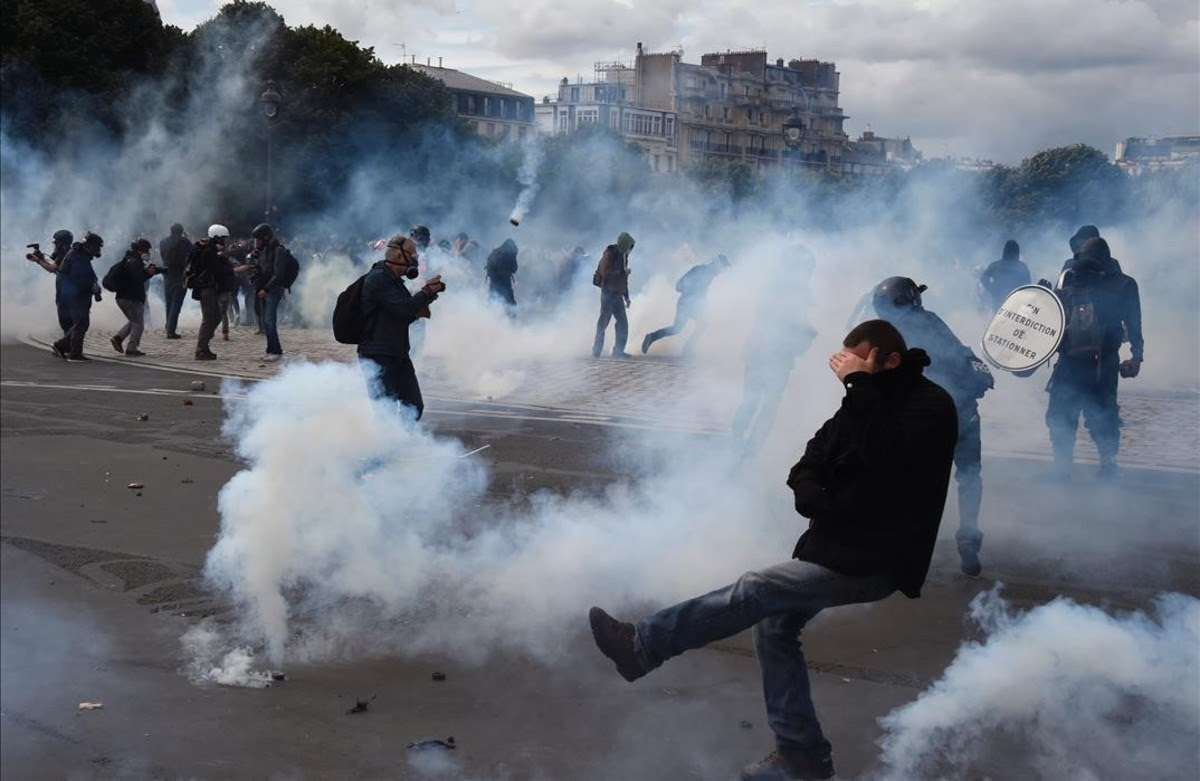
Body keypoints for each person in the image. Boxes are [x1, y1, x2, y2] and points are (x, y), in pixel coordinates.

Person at [589, 320, 958, 781]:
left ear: (891, 360)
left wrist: (859, 385)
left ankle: (643, 645)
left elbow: (887, 456)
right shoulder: (863, 399)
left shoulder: (930, 407)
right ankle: (801, 755)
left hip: (879, 560)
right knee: (775, 626)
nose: (848, 375)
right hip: (834, 547)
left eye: (860, 364)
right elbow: (813, 455)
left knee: (758, 588)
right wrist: (812, 495)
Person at [870, 276, 994, 577]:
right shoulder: (929, 321)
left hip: (923, 418)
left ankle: (901, 541)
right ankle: (967, 536)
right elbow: (963, 355)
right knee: (969, 474)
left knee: (913, 479)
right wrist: (982, 375)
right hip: (961, 411)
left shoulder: (884, 339)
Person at [1045, 236, 1142, 478]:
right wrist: (1042, 299)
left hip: (1104, 363)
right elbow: (1052, 321)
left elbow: (1134, 323)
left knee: (1103, 415)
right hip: (1069, 360)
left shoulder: (1124, 285)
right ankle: (1062, 466)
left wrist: (1137, 356)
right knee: (1060, 415)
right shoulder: (1069, 281)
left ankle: (1107, 464)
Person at [357, 235, 446, 420]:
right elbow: (402, 310)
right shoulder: (379, 278)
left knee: (414, 407)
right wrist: (426, 292)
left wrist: (426, 298)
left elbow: (406, 312)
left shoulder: (395, 281)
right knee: (385, 412)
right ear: (399, 256)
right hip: (378, 354)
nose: (415, 259)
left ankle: (402, 444)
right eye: (412, 255)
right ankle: (387, 447)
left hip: (397, 353)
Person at [641, 253, 730, 355]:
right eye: (722, 267)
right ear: (717, 264)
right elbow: (679, 285)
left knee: (692, 326)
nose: (721, 271)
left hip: (691, 305)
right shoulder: (699, 270)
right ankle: (655, 338)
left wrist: (703, 304)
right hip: (686, 304)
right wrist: (691, 293)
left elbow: (701, 293)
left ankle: (655, 338)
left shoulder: (709, 275)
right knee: (680, 328)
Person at [51, 231, 105, 362]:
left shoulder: (81, 255)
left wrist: (94, 284)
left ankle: (66, 347)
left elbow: (88, 274)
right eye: (97, 247)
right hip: (73, 295)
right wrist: (91, 286)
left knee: (81, 323)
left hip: (75, 295)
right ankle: (70, 350)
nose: (98, 250)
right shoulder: (77, 256)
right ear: (90, 246)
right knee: (81, 323)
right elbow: (79, 278)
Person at [185, 224, 235, 361]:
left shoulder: (206, 249)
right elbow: (216, 270)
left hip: (207, 287)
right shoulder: (209, 251)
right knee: (208, 319)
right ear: (217, 237)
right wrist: (229, 268)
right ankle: (201, 349)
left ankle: (205, 343)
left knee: (217, 316)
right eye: (223, 238)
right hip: (206, 287)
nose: (225, 241)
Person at [251, 223, 299, 362]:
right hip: (263, 288)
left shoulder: (278, 250)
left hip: (273, 289)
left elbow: (278, 274)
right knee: (266, 322)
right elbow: (263, 269)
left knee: (269, 321)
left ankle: (276, 351)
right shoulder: (263, 251)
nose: (257, 242)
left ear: (266, 237)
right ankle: (270, 349)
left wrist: (266, 289)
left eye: (259, 239)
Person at [109, 238, 160, 357]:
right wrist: (148, 274)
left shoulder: (128, 260)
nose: (148, 253)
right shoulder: (136, 262)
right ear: (141, 251)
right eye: (147, 251)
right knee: (138, 324)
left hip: (122, 297)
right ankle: (131, 349)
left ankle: (118, 339)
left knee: (134, 321)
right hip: (131, 298)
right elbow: (138, 279)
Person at [592, 231, 636, 357]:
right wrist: (622, 272)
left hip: (617, 295)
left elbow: (623, 280)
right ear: (623, 244)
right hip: (608, 293)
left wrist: (627, 297)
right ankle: (596, 350)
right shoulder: (609, 254)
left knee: (623, 324)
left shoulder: (623, 256)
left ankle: (618, 351)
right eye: (629, 246)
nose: (630, 249)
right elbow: (606, 274)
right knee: (603, 322)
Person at [26, 229, 75, 336]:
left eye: (56, 243)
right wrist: (42, 259)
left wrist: (38, 261)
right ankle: (69, 348)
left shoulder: (65, 255)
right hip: (70, 295)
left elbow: (52, 269)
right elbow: (58, 271)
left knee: (67, 324)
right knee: (69, 325)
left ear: (62, 244)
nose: (55, 246)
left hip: (66, 296)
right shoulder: (70, 253)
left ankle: (66, 348)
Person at [159, 223, 192, 339]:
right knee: (176, 304)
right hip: (180, 274)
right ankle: (171, 330)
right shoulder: (185, 242)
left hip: (167, 274)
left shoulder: (163, 242)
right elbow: (191, 256)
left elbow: (162, 256)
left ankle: (168, 326)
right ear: (181, 231)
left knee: (169, 302)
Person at [979, 239, 1031, 311]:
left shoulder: (995, 265)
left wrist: (992, 289)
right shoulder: (1022, 267)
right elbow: (1028, 286)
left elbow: (983, 277)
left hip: (1007, 301)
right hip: (1011, 302)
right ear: (1017, 252)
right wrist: (992, 289)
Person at [485, 238, 519, 314]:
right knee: (511, 306)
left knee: (492, 304)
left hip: (493, 284)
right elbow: (514, 269)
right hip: (505, 285)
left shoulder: (494, 252)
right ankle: (511, 324)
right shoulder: (510, 254)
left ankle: (488, 321)